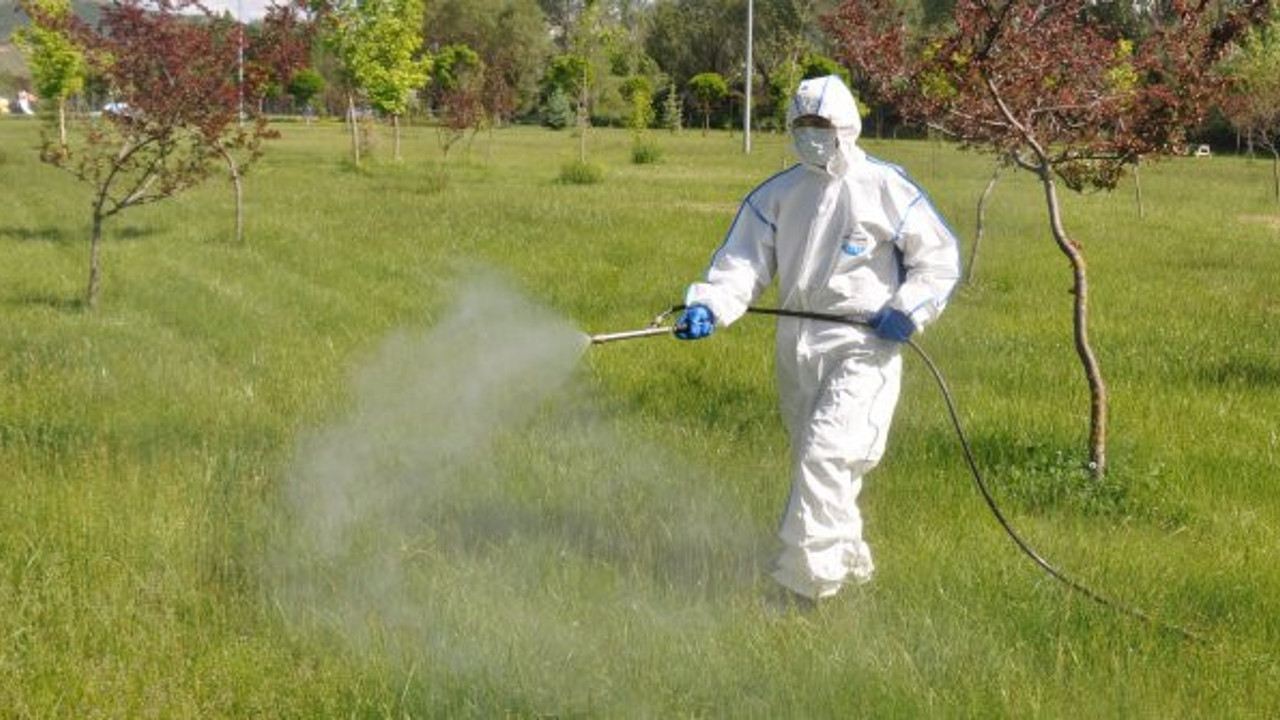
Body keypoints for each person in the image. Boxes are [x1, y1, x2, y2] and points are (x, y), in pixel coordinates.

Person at [675, 75, 961, 602]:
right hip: (797, 347)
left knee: (826, 456)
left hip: (864, 347)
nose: (812, 136)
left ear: (846, 126)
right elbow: (741, 265)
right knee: (825, 463)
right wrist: (709, 306)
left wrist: (908, 309)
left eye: (822, 126)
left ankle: (802, 589)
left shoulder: (886, 187)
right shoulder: (779, 195)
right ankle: (849, 569)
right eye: (802, 126)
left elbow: (938, 260)